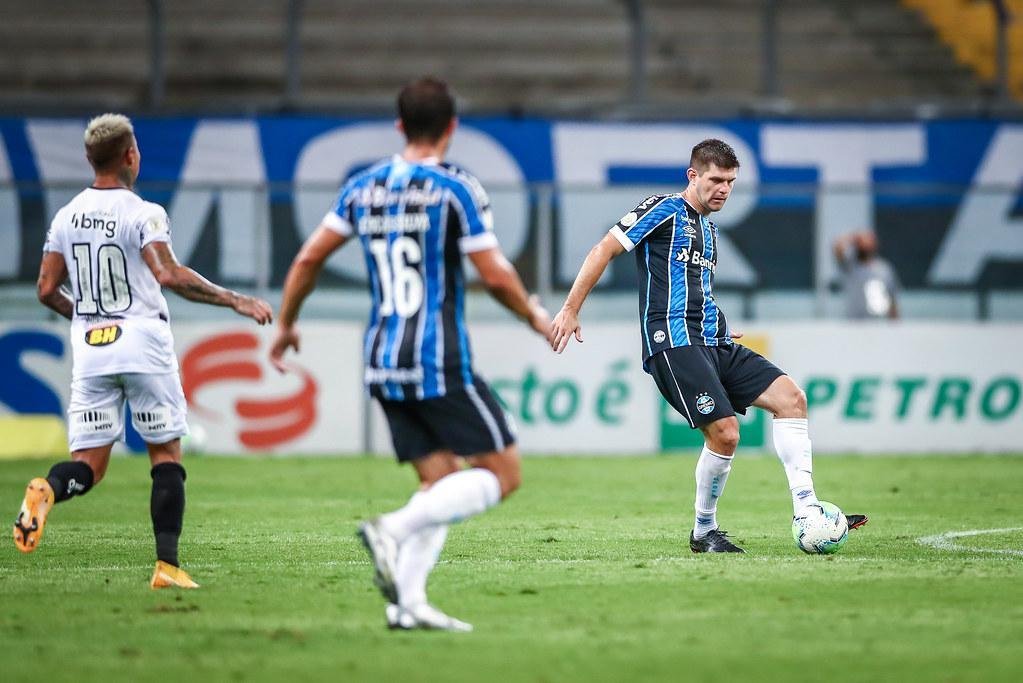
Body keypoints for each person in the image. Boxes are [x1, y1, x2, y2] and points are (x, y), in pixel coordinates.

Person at [270, 77, 551, 631]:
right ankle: (390, 532)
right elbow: (493, 274)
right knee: (505, 472)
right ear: (452, 127)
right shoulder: (456, 189)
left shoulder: (363, 187)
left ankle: (408, 604)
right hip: (437, 357)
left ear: (399, 126)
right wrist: (535, 316)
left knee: (440, 481)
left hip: (380, 358)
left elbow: (307, 260)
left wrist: (286, 323)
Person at [550, 139, 866, 553]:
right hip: (672, 343)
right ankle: (703, 531)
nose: (724, 189)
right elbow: (604, 249)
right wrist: (571, 308)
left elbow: (697, 289)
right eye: (716, 180)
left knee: (792, 399)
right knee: (726, 434)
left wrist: (719, 323)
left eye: (731, 182)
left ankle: (807, 511)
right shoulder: (662, 209)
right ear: (693, 176)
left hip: (712, 341)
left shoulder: (709, 231)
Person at [14, 114, 274, 589]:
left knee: (89, 466)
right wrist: (235, 299)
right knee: (165, 454)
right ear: (130, 155)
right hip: (143, 344)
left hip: (91, 350)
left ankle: (47, 489)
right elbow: (169, 274)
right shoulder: (144, 212)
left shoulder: (66, 215)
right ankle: (167, 566)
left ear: (91, 159)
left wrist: (89, 319)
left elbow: (46, 288)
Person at [833, 230, 900, 320]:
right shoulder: (850, 266)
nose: (864, 244)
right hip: (852, 323)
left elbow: (892, 299)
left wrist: (895, 325)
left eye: (868, 241)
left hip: (877, 324)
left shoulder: (884, 269)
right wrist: (853, 238)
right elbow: (837, 248)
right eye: (861, 242)